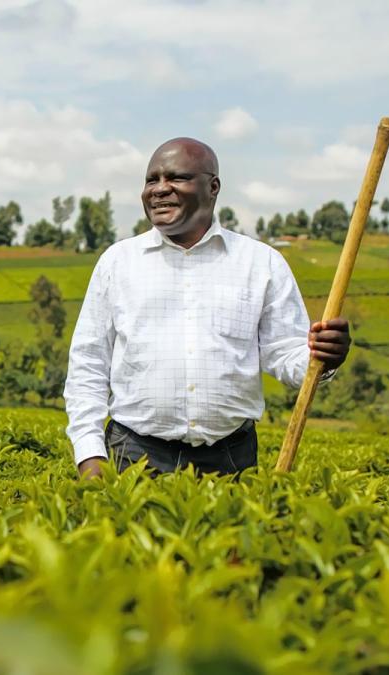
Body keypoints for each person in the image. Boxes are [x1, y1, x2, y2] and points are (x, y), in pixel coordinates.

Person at [63, 137, 352, 478]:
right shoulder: (117, 263)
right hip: (135, 456)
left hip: (231, 460)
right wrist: (89, 453)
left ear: (212, 186)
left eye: (176, 178)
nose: (159, 189)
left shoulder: (261, 263)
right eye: (151, 180)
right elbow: (88, 366)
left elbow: (285, 355)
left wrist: (322, 355)